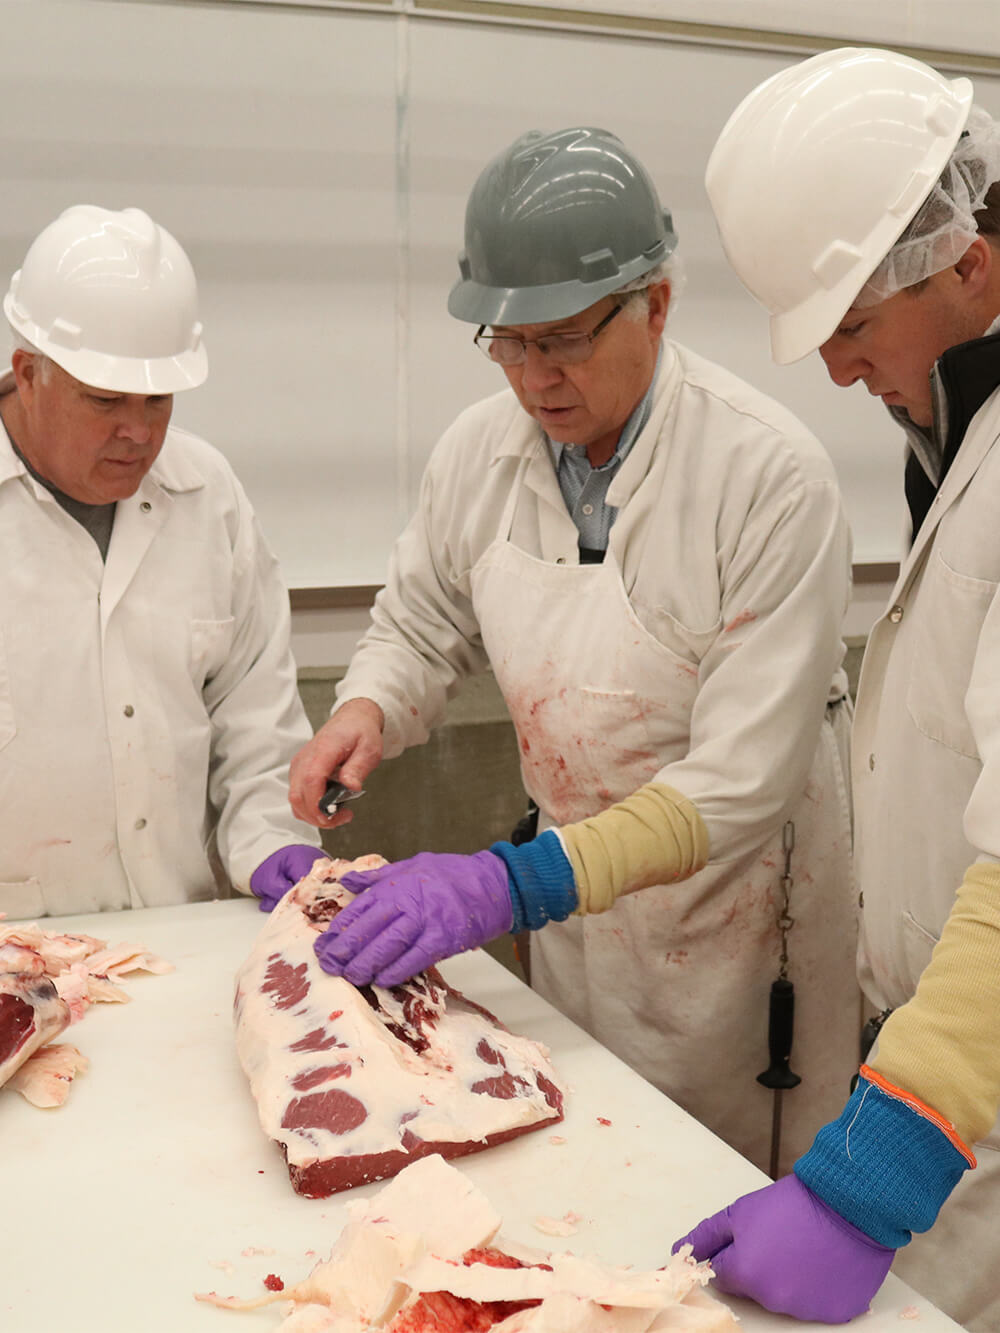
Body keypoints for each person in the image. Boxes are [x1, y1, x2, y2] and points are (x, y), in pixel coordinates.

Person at [289, 126, 860, 1178]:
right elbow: (422, 623)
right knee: (578, 1185)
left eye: (565, 339)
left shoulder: (767, 475)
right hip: (568, 925)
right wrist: (365, 709)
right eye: (507, 344)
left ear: (658, 301)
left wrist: (511, 885)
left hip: (733, 942)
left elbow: (742, 783)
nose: (535, 378)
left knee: (719, 1217)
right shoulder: (479, 454)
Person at [674, 47, 1000, 1331]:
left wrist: (874, 1179)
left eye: (853, 327)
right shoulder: (962, 428)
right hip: (953, 1064)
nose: (831, 370)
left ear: (966, 264)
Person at [0, 204, 326, 920]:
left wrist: (274, 845)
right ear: (28, 374)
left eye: (159, 399)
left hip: (180, 938)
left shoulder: (208, 497)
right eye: (105, 399)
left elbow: (256, 723)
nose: (139, 432)